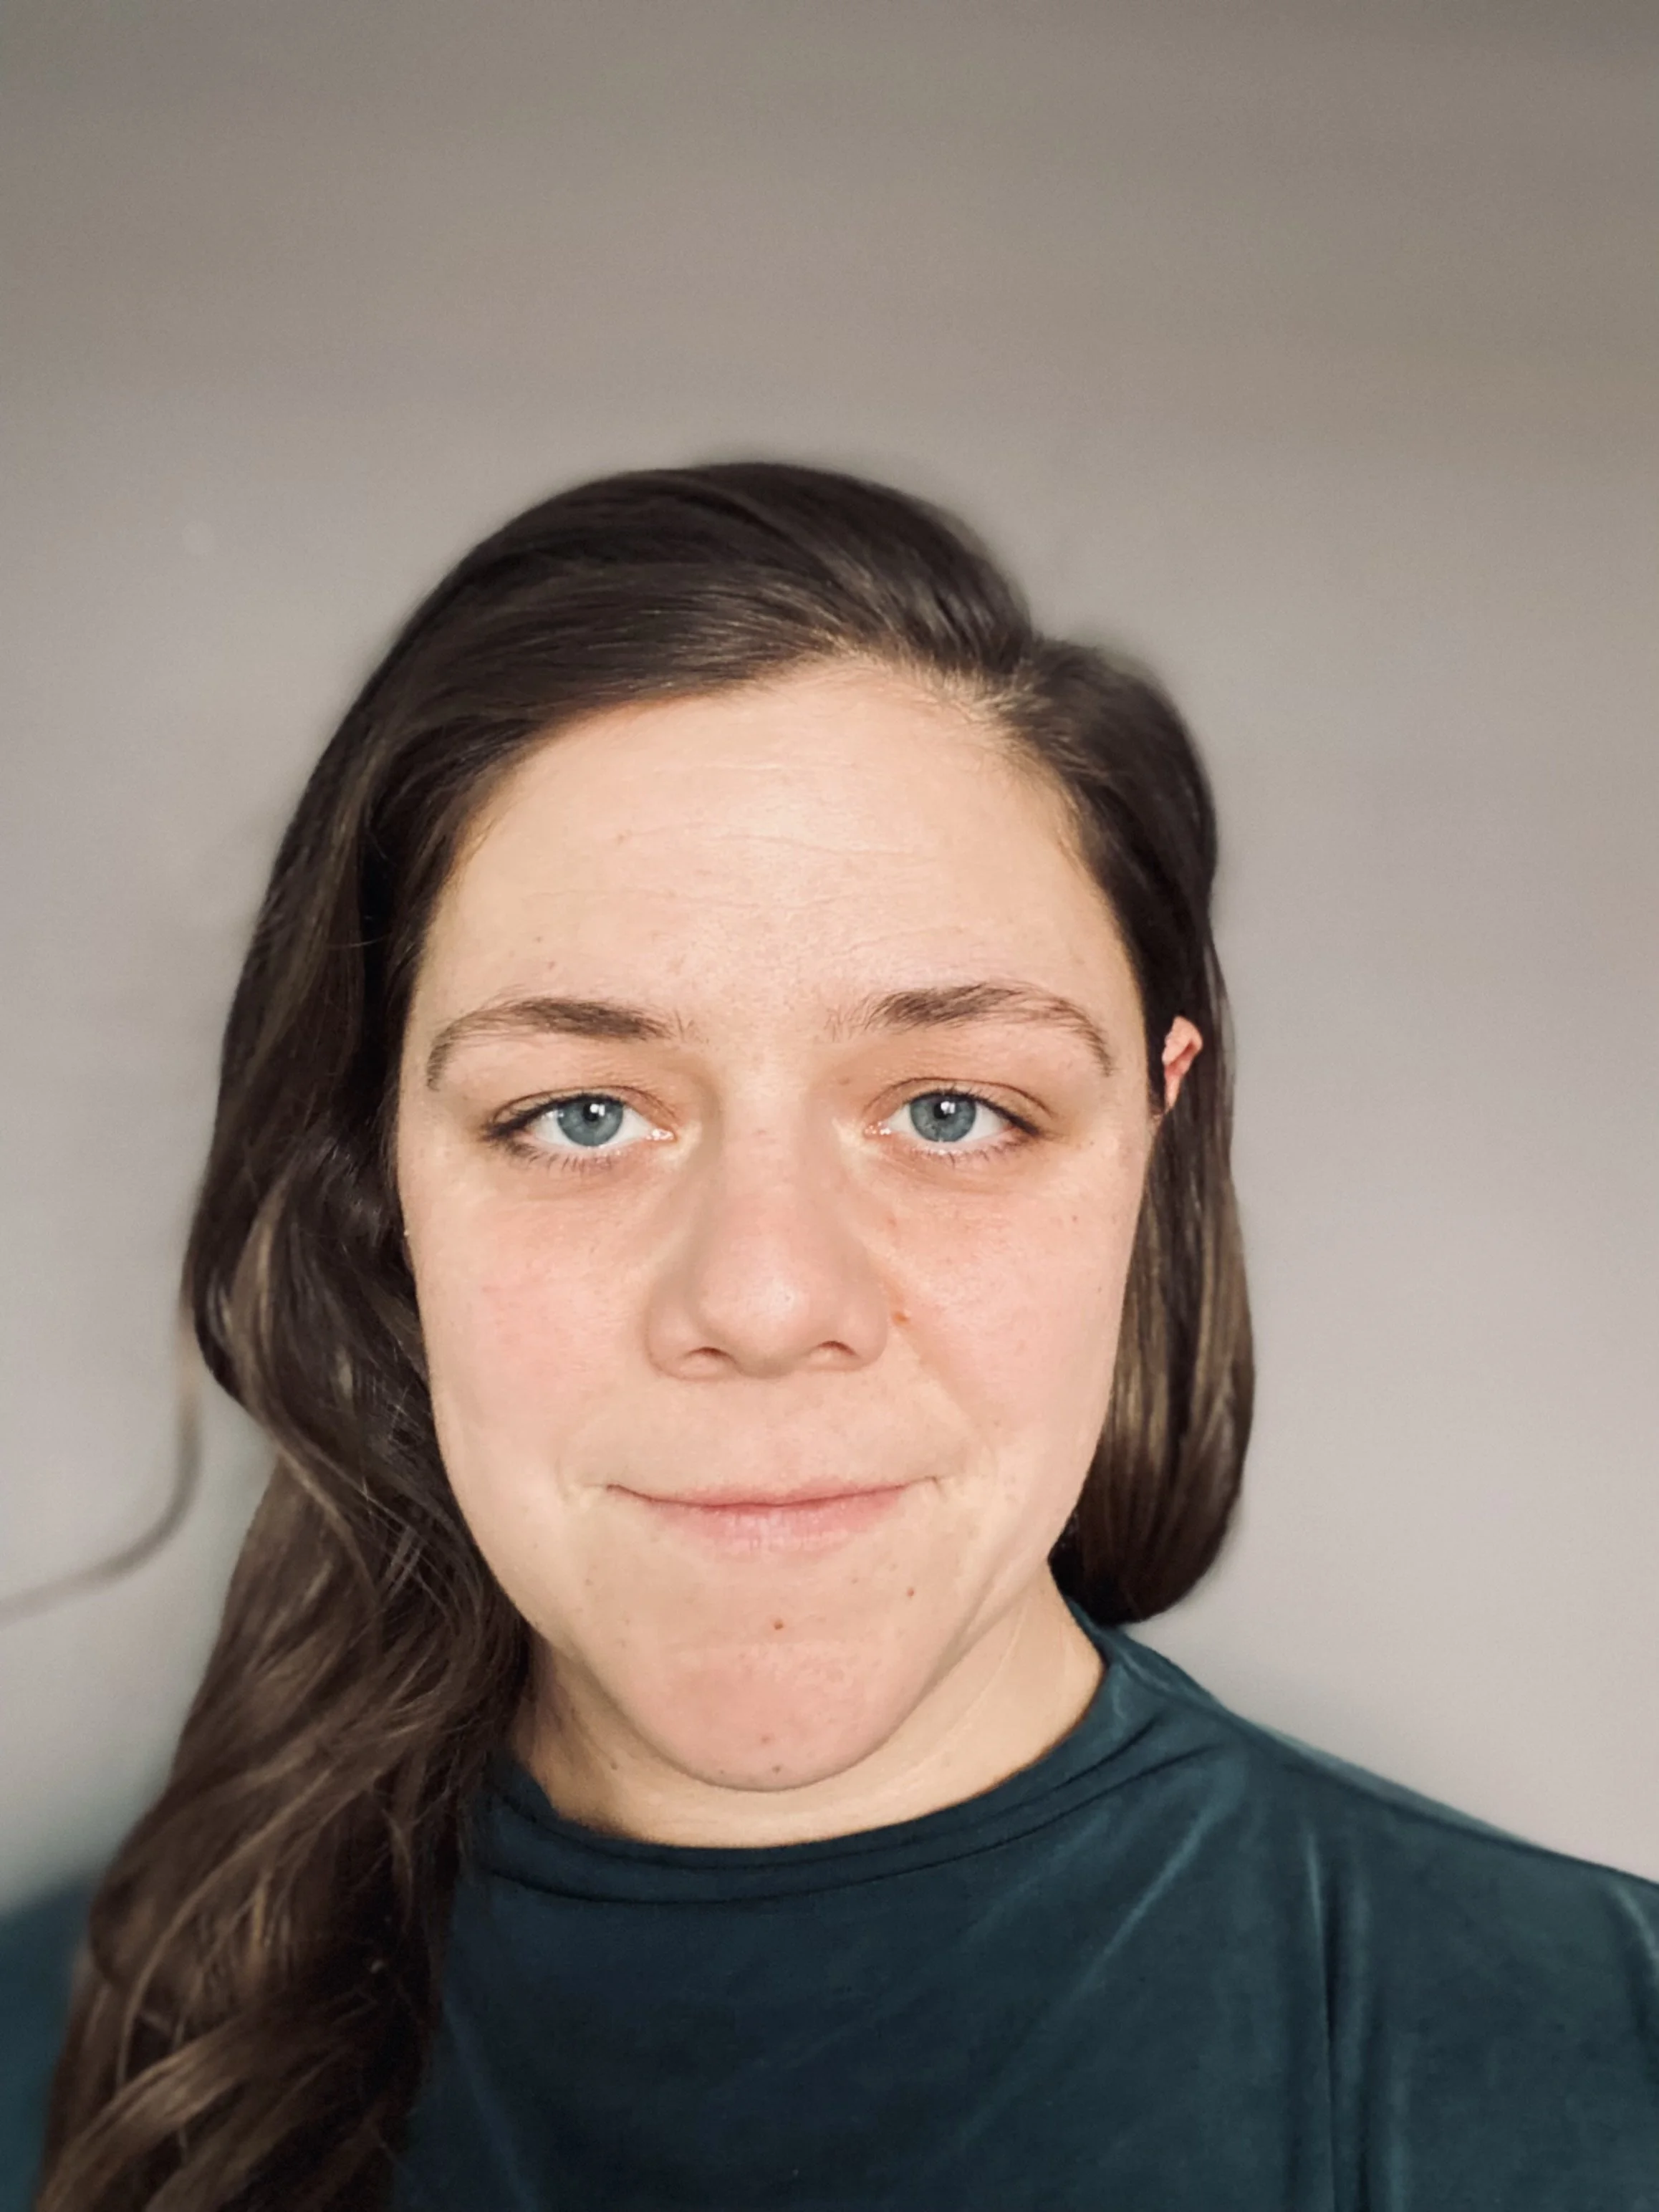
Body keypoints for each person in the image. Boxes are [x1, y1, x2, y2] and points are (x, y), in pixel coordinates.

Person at [16, 463, 1658, 2211]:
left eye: (953, 1109)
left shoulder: (1600, 2073)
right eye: (579, 1113)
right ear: (380, 1186)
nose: (767, 1298)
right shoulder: (52, 2060)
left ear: (1153, 1154)